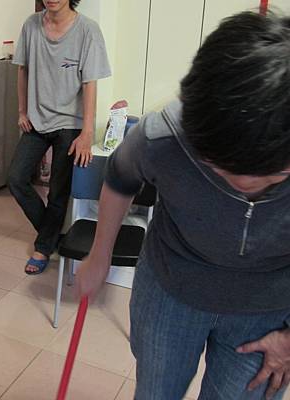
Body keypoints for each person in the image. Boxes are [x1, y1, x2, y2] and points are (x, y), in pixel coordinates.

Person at [75, 11, 290, 400]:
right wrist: (100, 254)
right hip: (170, 290)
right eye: (212, 163)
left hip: (267, 311)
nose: (237, 182)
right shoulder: (168, 132)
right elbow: (121, 177)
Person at [7, 0, 111, 275]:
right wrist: (21, 110)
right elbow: (22, 69)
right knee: (16, 179)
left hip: (70, 123)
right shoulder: (31, 25)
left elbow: (90, 84)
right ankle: (51, 235)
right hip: (37, 120)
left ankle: (43, 248)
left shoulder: (88, 30)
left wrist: (87, 132)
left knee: (57, 191)